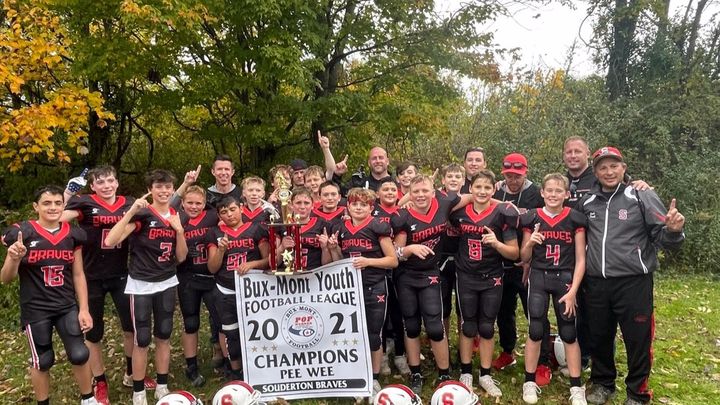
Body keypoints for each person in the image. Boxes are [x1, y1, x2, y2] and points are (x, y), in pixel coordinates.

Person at [580, 147, 685, 405]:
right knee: (599, 336)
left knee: (638, 339)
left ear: (623, 168)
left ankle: (638, 392)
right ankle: (602, 382)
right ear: (595, 172)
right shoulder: (587, 201)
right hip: (596, 282)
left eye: (614, 166)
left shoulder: (641, 195)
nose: (609, 172)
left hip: (633, 282)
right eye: (603, 167)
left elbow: (662, 237)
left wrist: (673, 231)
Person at [1, 186, 99, 405]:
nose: (53, 207)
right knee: (43, 360)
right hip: (36, 308)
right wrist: (14, 258)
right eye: (46, 203)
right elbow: (6, 278)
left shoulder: (72, 234)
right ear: (36, 207)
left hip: (66, 305)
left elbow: (78, 274)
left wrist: (84, 309)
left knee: (80, 354)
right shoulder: (24, 233)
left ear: (63, 205)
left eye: (57, 203)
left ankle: (89, 399)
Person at [62, 166, 151, 404]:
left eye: (110, 180)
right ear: (92, 186)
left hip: (122, 274)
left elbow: (157, 216)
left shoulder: (129, 203)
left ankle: (131, 373)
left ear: (117, 182)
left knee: (131, 328)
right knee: (93, 333)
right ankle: (99, 380)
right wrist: (67, 195)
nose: (106, 186)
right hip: (91, 275)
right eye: (100, 182)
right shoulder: (85, 203)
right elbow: (56, 219)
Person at [105, 170, 188, 405]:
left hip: (167, 281)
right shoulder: (142, 214)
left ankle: (162, 385)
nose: (164, 191)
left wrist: (179, 231)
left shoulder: (177, 215)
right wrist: (131, 211)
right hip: (141, 283)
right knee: (141, 339)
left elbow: (181, 257)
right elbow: (110, 241)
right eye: (158, 186)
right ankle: (138, 390)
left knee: (164, 334)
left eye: (167, 187)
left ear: (173, 189)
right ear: (150, 189)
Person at [392, 175, 472, 394]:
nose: (420, 195)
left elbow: (474, 196)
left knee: (436, 327)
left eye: (424, 190)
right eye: (415, 191)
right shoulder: (403, 216)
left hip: (430, 272)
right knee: (412, 326)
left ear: (433, 191)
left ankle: (444, 373)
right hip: (407, 275)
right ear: (409, 193)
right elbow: (396, 253)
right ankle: (416, 372)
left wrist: (504, 204)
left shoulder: (444, 203)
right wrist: (409, 249)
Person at [519, 173, 588, 405]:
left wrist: (573, 290)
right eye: (549, 190)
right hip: (539, 276)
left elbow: (581, 258)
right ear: (542, 192)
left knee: (568, 332)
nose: (553, 195)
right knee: (535, 329)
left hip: (565, 277)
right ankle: (529, 381)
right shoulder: (532, 217)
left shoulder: (575, 218)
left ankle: (576, 386)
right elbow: (523, 256)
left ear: (567, 194)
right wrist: (530, 242)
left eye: (559, 191)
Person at [450, 170, 519, 398]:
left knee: (487, 326)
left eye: (487, 187)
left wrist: (497, 244)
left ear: (493, 190)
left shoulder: (502, 214)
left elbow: (514, 253)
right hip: (466, 275)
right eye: (478, 187)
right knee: (468, 325)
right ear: (470, 189)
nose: (482, 191)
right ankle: (466, 371)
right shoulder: (459, 213)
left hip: (492, 276)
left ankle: (485, 374)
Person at [326, 187, 398, 397]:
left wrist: (368, 261)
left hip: (374, 285)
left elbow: (392, 260)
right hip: (350, 288)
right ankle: (357, 375)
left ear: (371, 208)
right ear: (348, 206)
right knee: (352, 335)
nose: (358, 208)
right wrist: (333, 248)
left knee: (374, 335)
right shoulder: (340, 228)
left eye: (363, 205)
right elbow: (339, 262)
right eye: (354, 204)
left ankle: (374, 378)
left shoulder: (378, 226)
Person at [492, 153, 554, 386]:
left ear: (525, 173)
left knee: (535, 314)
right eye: (509, 175)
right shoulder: (497, 191)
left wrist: (531, 257)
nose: (513, 180)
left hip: (530, 263)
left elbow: (547, 222)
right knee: (503, 311)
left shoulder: (536, 193)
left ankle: (543, 362)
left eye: (517, 176)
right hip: (502, 261)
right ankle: (508, 351)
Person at [207, 196, 270, 381]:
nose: (229, 214)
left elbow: (269, 260)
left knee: (259, 331)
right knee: (231, 333)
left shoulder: (256, 229)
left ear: (241, 208)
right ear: (219, 215)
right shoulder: (215, 233)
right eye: (224, 212)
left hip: (253, 290)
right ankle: (236, 372)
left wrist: (252, 264)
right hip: (226, 290)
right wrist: (221, 250)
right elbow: (212, 268)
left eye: (233, 209)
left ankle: (261, 370)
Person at [176, 186, 223, 387]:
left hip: (212, 276)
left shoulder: (212, 216)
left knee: (221, 321)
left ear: (205, 203)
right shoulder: (177, 219)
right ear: (182, 203)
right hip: (188, 276)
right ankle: (191, 366)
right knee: (191, 322)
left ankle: (229, 362)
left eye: (198, 203)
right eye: (190, 203)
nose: (194, 207)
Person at [372, 179, 412, 376]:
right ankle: (383, 356)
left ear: (398, 193)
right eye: (385, 189)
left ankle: (400, 354)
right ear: (377, 193)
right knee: (382, 315)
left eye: (393, 189)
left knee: (399, 312)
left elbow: (400, 247)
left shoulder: (403, 213)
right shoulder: (371, 211)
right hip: (376, 269)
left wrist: (394, 252)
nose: (389, 192)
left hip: (399, 269)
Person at [276, 187, 332, 270]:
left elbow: (328, 265)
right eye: (298, 203)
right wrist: (281, 248)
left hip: (314, 273)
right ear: (291, 205)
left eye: (306, 203)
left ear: (312, 205)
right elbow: (273, 263)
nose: (302, 207)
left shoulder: (323, 225)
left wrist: (325, 248)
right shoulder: (282, 226)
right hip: (289, 275)